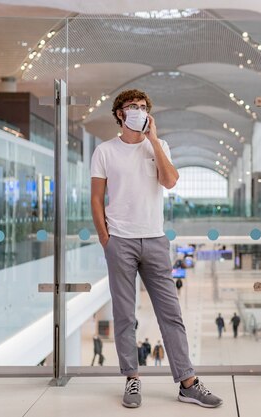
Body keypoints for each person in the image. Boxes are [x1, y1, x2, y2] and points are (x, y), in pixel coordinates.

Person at [91, 89, 222, 409]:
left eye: (143, 107)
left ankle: (187, 382)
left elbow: (171, 181)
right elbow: (96, 199)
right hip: (119, 240)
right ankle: (131, 378)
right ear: (119, 114)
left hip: (154, 239)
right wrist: (105, 239)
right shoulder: (105, 151)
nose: (138, 110)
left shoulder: (158, 146)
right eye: (132, 107)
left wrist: (153, 140)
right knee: (124, 315)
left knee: (171, 314)